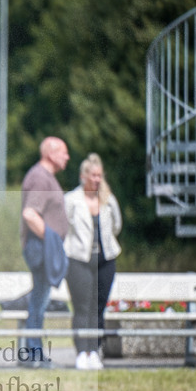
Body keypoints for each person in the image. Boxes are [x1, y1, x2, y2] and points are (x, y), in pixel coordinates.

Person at [63, 153, 122, 370]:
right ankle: (82, 352)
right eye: (93, 175)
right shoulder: (71, 200)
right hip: (79, 259)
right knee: (82, 307)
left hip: (105, 259)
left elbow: (116, 226)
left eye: (99, 175)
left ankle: (95, 351)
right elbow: (63, 229)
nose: (97, 179)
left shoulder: (108, 200)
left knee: (99, 307)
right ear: (83, 176)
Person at [19, 136, 70, 366]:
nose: (67, 157)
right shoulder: (40, 177)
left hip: (43, 246)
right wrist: (52, 241)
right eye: (63, 152)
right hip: (40, 248)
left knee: (39, 300)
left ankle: (34, 352)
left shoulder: (46, 177)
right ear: (50, 153)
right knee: (39, 302)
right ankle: (33, 354)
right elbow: (30, 214)